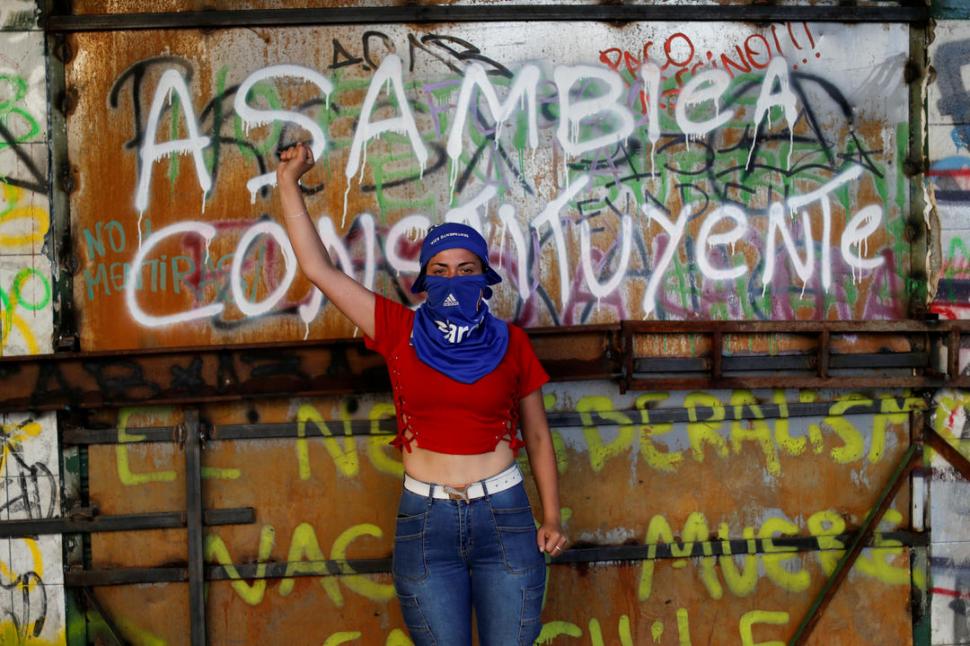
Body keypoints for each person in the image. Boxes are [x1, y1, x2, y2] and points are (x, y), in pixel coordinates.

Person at [275, 143, 566, 645]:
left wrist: (554, 517)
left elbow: (538, 437)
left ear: (486, 278)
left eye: (467, 270)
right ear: (425, 279)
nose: (454, 281)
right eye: (441, 271)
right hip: (425, 522)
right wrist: (287, 182)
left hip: (506, 517)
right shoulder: (397, 329)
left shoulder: (510, 341)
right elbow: (319, 271)